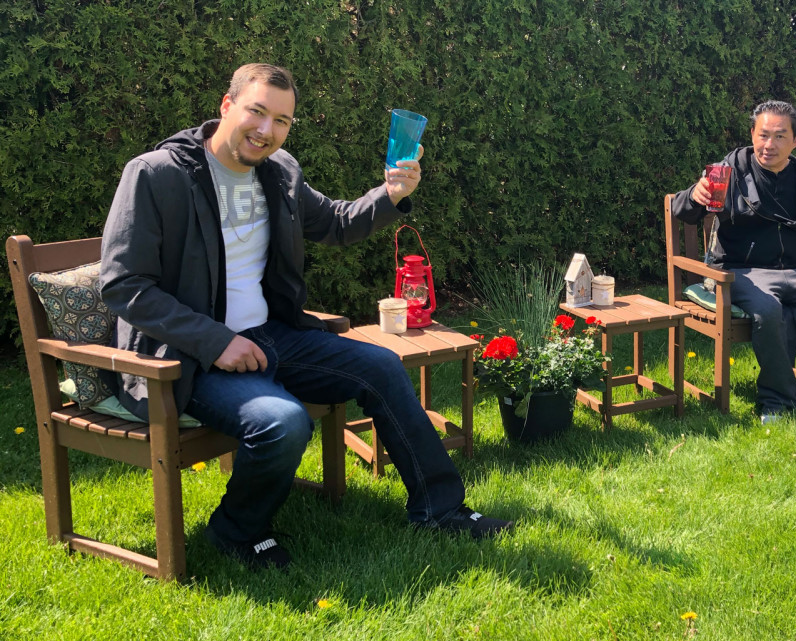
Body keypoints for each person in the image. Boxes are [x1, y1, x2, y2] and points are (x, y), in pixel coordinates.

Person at [100, 63, 513, 570]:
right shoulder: (157, 175)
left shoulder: (280, 173)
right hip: (189, 355)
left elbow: (336, 223)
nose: (266, 130)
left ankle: (441, 508)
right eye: (256, 111)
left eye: (281, 121)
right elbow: (124, 284)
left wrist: (392, 195)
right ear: (226, 106)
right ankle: (238, 530)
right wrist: (215, 341)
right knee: (282, 422)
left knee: (381, 366)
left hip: (273, 336)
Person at [671, 100, 796, 433]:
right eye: (763, 135)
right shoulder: (730, 170)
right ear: (752, 134)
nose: (768, 145)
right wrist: (694, 196)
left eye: (780, 137)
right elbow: (685, 211)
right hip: (743, 271)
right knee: (769, 310)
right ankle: (777, 400)